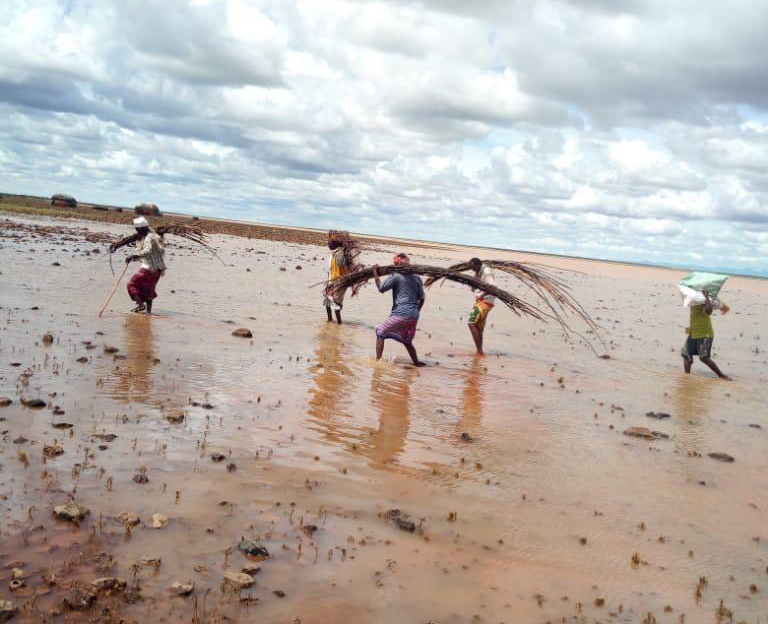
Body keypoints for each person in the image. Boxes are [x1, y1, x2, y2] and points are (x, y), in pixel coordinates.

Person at [372, 253, 426, 367]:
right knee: (407, 340)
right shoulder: (416, 277)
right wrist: (416, 312)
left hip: (401, 314)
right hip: (414, 316)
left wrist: (374, 272)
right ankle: (416, 363)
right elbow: (422, 298)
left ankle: (377, 362)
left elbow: (381, 289)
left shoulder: (397, 276)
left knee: (380, 333)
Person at [681, 290, 730, 379]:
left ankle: (721, 375)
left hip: (705, 334)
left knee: (704, 357)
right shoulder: (694, 301)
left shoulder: (705, 302)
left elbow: (708, 311)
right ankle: (686, 377)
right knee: (686, 354)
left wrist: (706, 297)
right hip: (694, 332)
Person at [123, 216, 166, 314]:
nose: (137, 232)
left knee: (131, 284)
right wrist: (135, 258)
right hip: (158, 269)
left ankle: (141, 305)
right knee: (150, 288)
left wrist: (134, 255)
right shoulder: (153, 236)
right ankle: (148, 313)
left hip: (148, 268)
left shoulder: (148, 237)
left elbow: (147, 251)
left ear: (140, 229)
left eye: (137, 230)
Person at [467, 257, 496, 355]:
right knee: (479, 327)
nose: (472, 270)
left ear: (477, 265)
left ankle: (479, 351)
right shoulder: (479, 272)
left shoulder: (486, 271)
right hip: (483, 301)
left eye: (473, 267)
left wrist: (481, 294)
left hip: (485, 301)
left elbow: (492, 286)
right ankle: (480, 352)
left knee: (471, 323)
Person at [323, 239, 348, 324]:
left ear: (335, 244)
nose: (328, 245)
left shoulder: (339, 252)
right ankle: (330, 320)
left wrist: (341, 252)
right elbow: (330, 269)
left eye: (329, 243)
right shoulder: (333, 253)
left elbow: (341, 264)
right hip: (331, 281)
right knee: (327, 301)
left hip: (339, 282)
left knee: (336, 303)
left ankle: (339, 323)